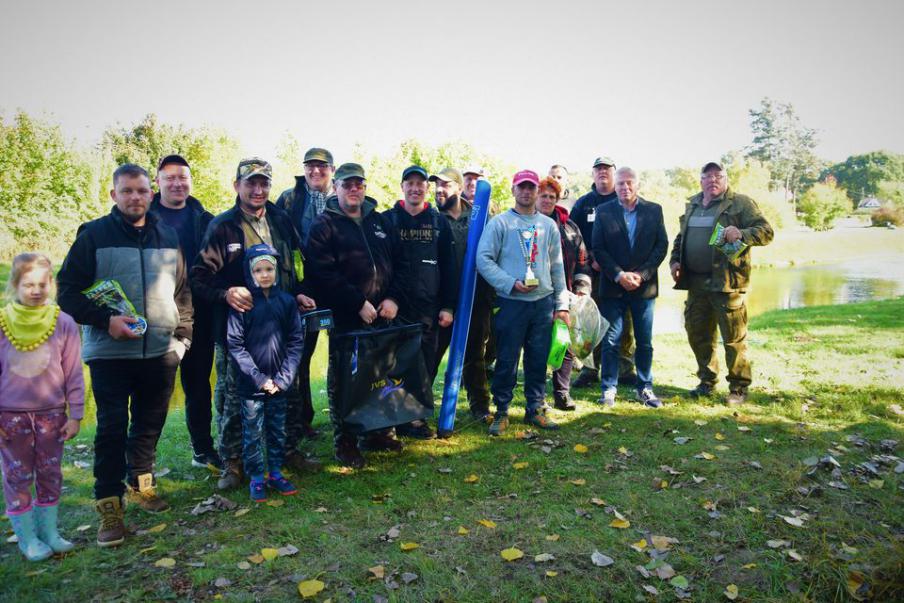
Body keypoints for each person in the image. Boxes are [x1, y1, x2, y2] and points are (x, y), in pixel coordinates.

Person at [58, 164, 192, 547]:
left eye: (142, 191)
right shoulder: (93, 235)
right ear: (114, 194)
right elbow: (66, 292)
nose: (136, 197)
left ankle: (141, 484)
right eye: (128, 191)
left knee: (150, 425)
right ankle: (110, 510)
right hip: (110, 353)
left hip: (162, 351)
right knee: (112, 429)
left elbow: (182, 293)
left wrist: (182, 340)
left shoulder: (167, 235)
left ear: (152, 195)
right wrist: (106, 320)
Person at [191, 157, 317, 491]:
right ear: (237, 186)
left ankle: (286, 452)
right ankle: (232, 463)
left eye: (263, 183)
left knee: (288, 393)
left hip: (280, 327)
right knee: (235, 401)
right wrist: (226, 293)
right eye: (251, 183)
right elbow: (199, 278)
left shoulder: (281, 219)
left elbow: (298, 264)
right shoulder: (223, 226)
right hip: (239, 333)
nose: (258, 190)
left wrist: (301, 293)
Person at [304, 163, 408, 468]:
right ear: (335, 187)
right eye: (347, 184)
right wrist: (356, 303)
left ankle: (376, 433)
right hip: (346, 319)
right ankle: (345, 441)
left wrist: (393, 298)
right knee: (345, 380)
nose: (354, 189)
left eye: (359, 184)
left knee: (380, 375)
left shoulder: (380, 221)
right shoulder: (324, 225)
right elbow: (321, 273)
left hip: (383, 316)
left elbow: (401, 265)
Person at [0, 254, 84, 561]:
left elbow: (73, 371)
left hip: (52, 415)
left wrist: (75, 414)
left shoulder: (63, 323)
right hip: (10, 417)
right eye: (28, 284)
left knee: (50, 473)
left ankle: (49, 533)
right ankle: (28, 538)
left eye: (42, 284)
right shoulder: (2, 322)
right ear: (15, 285)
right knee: (17, 476)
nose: (36, 290)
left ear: (52, 284)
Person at [669, 161, 774, 405]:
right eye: (708, 176)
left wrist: (743, 234)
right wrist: (675, 261)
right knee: (698, 335)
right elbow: (681, 237)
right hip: (695, 285)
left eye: (719, 176)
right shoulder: (693, 204)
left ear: (726, 179)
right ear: (701, 181)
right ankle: (707, 381)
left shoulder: (741, 203)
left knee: (733, 339)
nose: (713, 180)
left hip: (727, 285)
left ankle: (738, 387)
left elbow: (767, 231)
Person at [476, 170, 569, 435]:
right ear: (514, 190)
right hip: (511, 302)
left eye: (531, 188)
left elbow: (557, 267)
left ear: (537, 192)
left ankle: (535, 408)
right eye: (522, 187)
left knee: (538, 358)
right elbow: (483, 259)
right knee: (506, 359)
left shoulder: (547, 226)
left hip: (542, 302)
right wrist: (508, 282)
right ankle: (502, 410)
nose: (527, 192)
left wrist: (561, 304)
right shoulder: (500, 223)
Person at [150, 154, 219, 470]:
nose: (177, 183)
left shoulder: (205, 219)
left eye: (183, 178)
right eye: (170, 178)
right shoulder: (142, 217)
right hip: (155, 318)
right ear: (158, 182)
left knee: (198, 386)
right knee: (153, 392)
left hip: (199, 315)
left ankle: (203, 450)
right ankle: (142, 463)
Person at [226, 245, 304, 502]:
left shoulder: (287, 301)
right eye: (258, 270)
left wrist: (282, 379)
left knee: (277, 430)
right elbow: (236, 346)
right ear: (250, 273)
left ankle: (276, 472)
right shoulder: (243, 306)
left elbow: (295, 341)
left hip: (279, 384)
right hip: (252, 386)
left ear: (277, 270)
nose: (265, 275)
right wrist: (259, 378)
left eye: (269, 269)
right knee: (252, 432)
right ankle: (257, 477)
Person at [386, 165, 456, 439]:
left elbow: (450, 267)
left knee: (425, 365)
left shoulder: (439, 223)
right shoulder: (387, 220)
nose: (415, 188)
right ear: (402, 187)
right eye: (410, 183)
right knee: (394, 365)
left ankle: (415, 419)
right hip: (394, 308)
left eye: (420, 183)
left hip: (429, 307)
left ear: (426, 188)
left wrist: (448, 305)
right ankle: (391, 418)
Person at [591, 167, 668, 408]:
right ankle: (608, 388)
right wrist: (618, 275)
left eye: (629, 183)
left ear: (637, 184)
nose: (625, 187)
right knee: (611, 340)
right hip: (613, 287)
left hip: (643, 288)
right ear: (615, 186)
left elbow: (661, 246)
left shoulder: (654, 210)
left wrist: (641, 275)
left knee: (644, 341)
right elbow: (598, 248)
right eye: (621, 183)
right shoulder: (604, 211)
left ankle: (645, 387)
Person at [275, 147, 336, 443]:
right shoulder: (289, 198)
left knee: (342, 353)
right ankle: (302, 419)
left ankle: (344, 415)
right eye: (310, 166)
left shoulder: (344, 196)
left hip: (338, 289)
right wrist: (294, 289)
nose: (316, 171)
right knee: (300, 356)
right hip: (305, 291)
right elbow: (279, 244)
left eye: (322, 167)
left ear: (332, 170)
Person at [431, 167, 495, 421]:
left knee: (474, 356)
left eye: (445, 185)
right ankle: (417, 411)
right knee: (431, 356)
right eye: (436, 185)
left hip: (476, 299)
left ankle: (480, 407)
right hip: (440, 301)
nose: (439, 190)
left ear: (458, 188)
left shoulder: (480, 217)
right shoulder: (432, 220)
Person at [570, 156, 637, 387]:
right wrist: (587, 258)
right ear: (592, 174)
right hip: (590, 273)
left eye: (607, 169)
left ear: (614, 174)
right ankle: (590, 369)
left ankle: (625, 368)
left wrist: (614, 264)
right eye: (598, 169)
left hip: (619, 272)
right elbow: (571, 234)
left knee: (623, 320)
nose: (602, 173)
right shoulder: (583, 203)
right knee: (590, 321)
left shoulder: (625, 200)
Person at [537, 177, 591, 410]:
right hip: (535, 297)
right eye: (544, 196)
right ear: (536, 198)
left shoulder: (570, 227)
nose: (548, 200)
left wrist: (581, 290)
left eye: (552, 196)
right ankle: (538, 398)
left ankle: (562, 394)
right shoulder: (528, 223)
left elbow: (583, 261)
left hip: (564, 295)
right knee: (537, 347)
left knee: (564, 346)